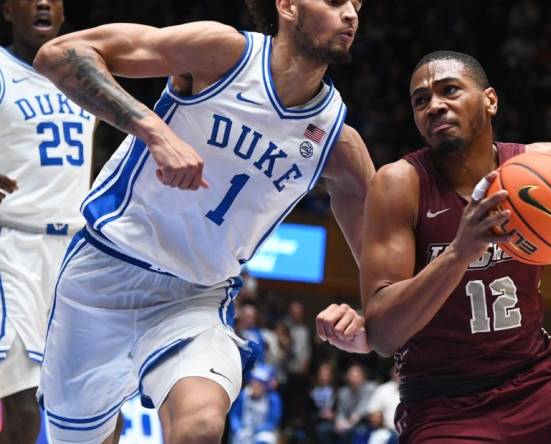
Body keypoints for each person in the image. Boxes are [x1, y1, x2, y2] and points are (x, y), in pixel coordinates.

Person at [31, 0, 374, 442]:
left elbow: (387, 251)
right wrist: (154, 131)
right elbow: (58, 54)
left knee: (200, 425)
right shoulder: (222, 54)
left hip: (196, 298)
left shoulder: (336, 140)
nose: (350, 14)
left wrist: (372, 317)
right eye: (333, 1)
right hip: (102, 277)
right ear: (287, 6)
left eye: (356, 4)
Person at [320, 50, 551, 442]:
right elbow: (382, 334)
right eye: (421, 100)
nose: (434, 106)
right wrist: (459, 252)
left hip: (537, 384)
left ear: (490, 100)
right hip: (442, 403)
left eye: (450, 90)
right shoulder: (400, 184)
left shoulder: (547, 165)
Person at [0, 0, 96, 441]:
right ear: (6, 10)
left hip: (76, 250)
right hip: (12, 248)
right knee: (22, 404)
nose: (43, 3)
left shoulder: (87, 74)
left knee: (96, 399)